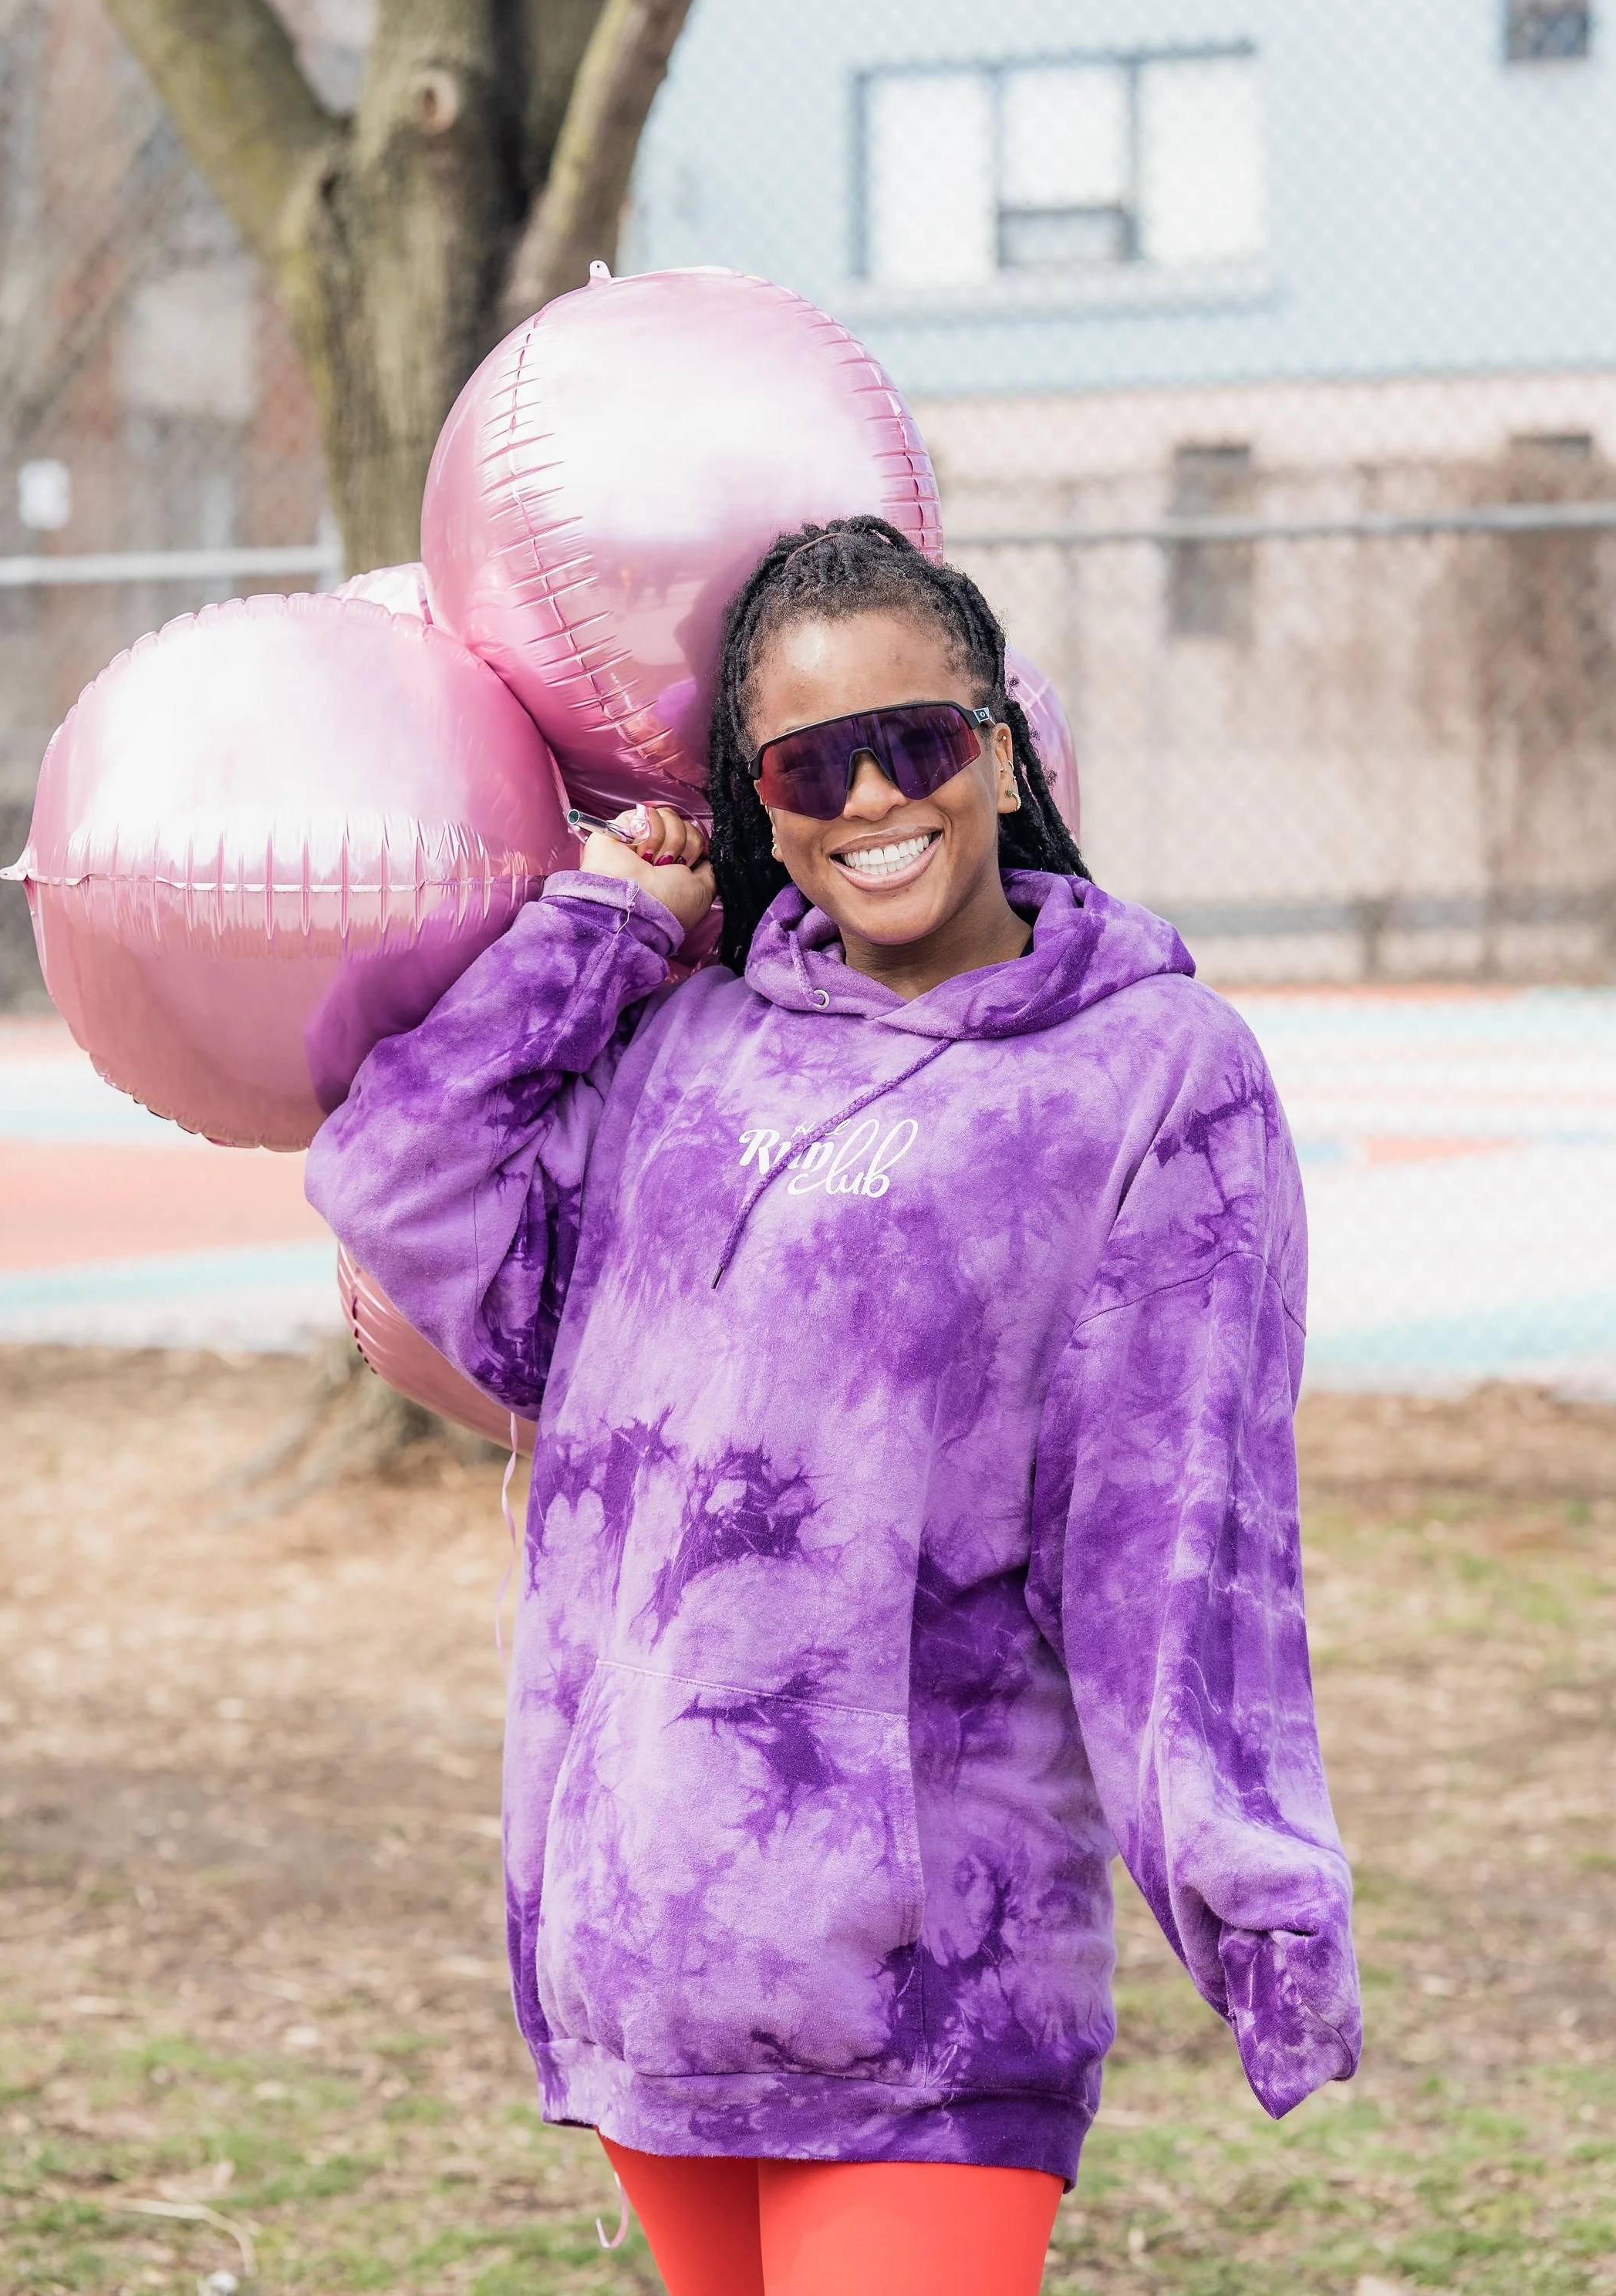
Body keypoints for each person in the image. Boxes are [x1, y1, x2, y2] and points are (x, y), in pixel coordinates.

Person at [307, 516, 1360, 2296]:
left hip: (926, 1973)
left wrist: (1255, 1889)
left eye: (921, 740)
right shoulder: (690, 1046)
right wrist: (609, 928)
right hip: (651, 1942)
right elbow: (399, 1180)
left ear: (1000, 752)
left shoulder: (1152, 1077)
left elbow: (1175, 1534)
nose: (875, 793)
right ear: (761, 802)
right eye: (812, 760)